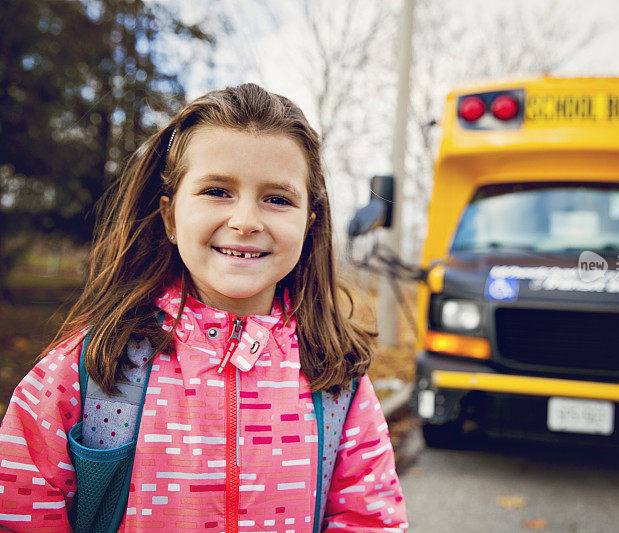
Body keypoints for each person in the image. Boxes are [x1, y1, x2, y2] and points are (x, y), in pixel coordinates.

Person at [0, 83, 408, 532]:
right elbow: (22, 509)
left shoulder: (336, 379)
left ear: (309, 225)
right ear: (171, 217)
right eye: (217, 190)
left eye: (277, 199)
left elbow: (369, 519)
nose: (246, 221)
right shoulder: (90, 367)